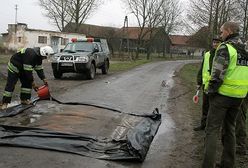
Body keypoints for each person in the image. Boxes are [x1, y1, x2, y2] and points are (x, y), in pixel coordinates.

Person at [202, 21, 248, 168]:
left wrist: (210, 91)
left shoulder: (226, 48)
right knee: (230, 129)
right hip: (240, 96)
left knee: (212, 130)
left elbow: (217, 74)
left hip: (223, 95)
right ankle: (228, 163)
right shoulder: (246, 49)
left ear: (228, 31)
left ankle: (207, 165)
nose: (221, 34)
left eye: (222, 31)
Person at [194, 37, 222, 131]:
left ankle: (211, 128)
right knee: (205, 107)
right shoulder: (207, 54)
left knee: (214, 108)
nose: (215, 44)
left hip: (217, 87)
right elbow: (202, 69)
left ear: (221, 44)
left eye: (217, 42)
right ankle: (203, 125)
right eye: (214, 42)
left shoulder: (222, 55)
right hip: (206, 86)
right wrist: (199, 82)